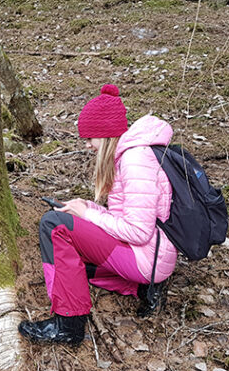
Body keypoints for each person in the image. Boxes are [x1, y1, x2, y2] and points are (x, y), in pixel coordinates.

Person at [18, 84, 177, 345]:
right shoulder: (130, 155)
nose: (89, 146)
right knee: (74, 265)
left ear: (106, 134)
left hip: (146, 258)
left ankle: (68, 324)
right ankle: (143, 290)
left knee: (54, 226)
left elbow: (138, 231)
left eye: (90, 138)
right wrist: (87, 208)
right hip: (146, 257)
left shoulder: (135, 160)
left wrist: (88, 216)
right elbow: (126, 218)